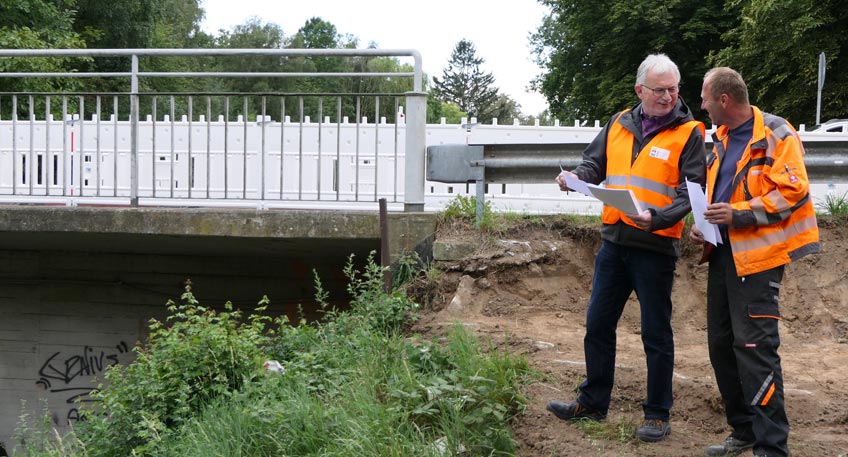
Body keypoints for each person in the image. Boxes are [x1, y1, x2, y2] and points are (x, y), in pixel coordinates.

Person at [548, 53, 706, 442]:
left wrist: (660, 217)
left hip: (655, 246)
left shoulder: (690, 132)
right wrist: (574, 177)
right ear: (640, 90)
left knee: (655, 333)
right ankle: (593, 401)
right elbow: (593, 165)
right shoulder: (619, 122)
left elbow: (691, 193)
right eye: (660, 89)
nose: (669, 96)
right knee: (598, 324)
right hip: (614, 242)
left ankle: (657, 414)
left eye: (673, 89)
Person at [691, 67, 819, 457]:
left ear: (723, 100)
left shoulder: (778, 133)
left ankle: (771, 446)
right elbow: (723, 193)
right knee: (722, 346)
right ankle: (743, 430)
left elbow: (792, 193)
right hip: (723, 254)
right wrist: (706, 224)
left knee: (755, 348)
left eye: (704, 98)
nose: (701, 105)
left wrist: (738, 214)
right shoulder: (723, 139)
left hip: (760, 260)